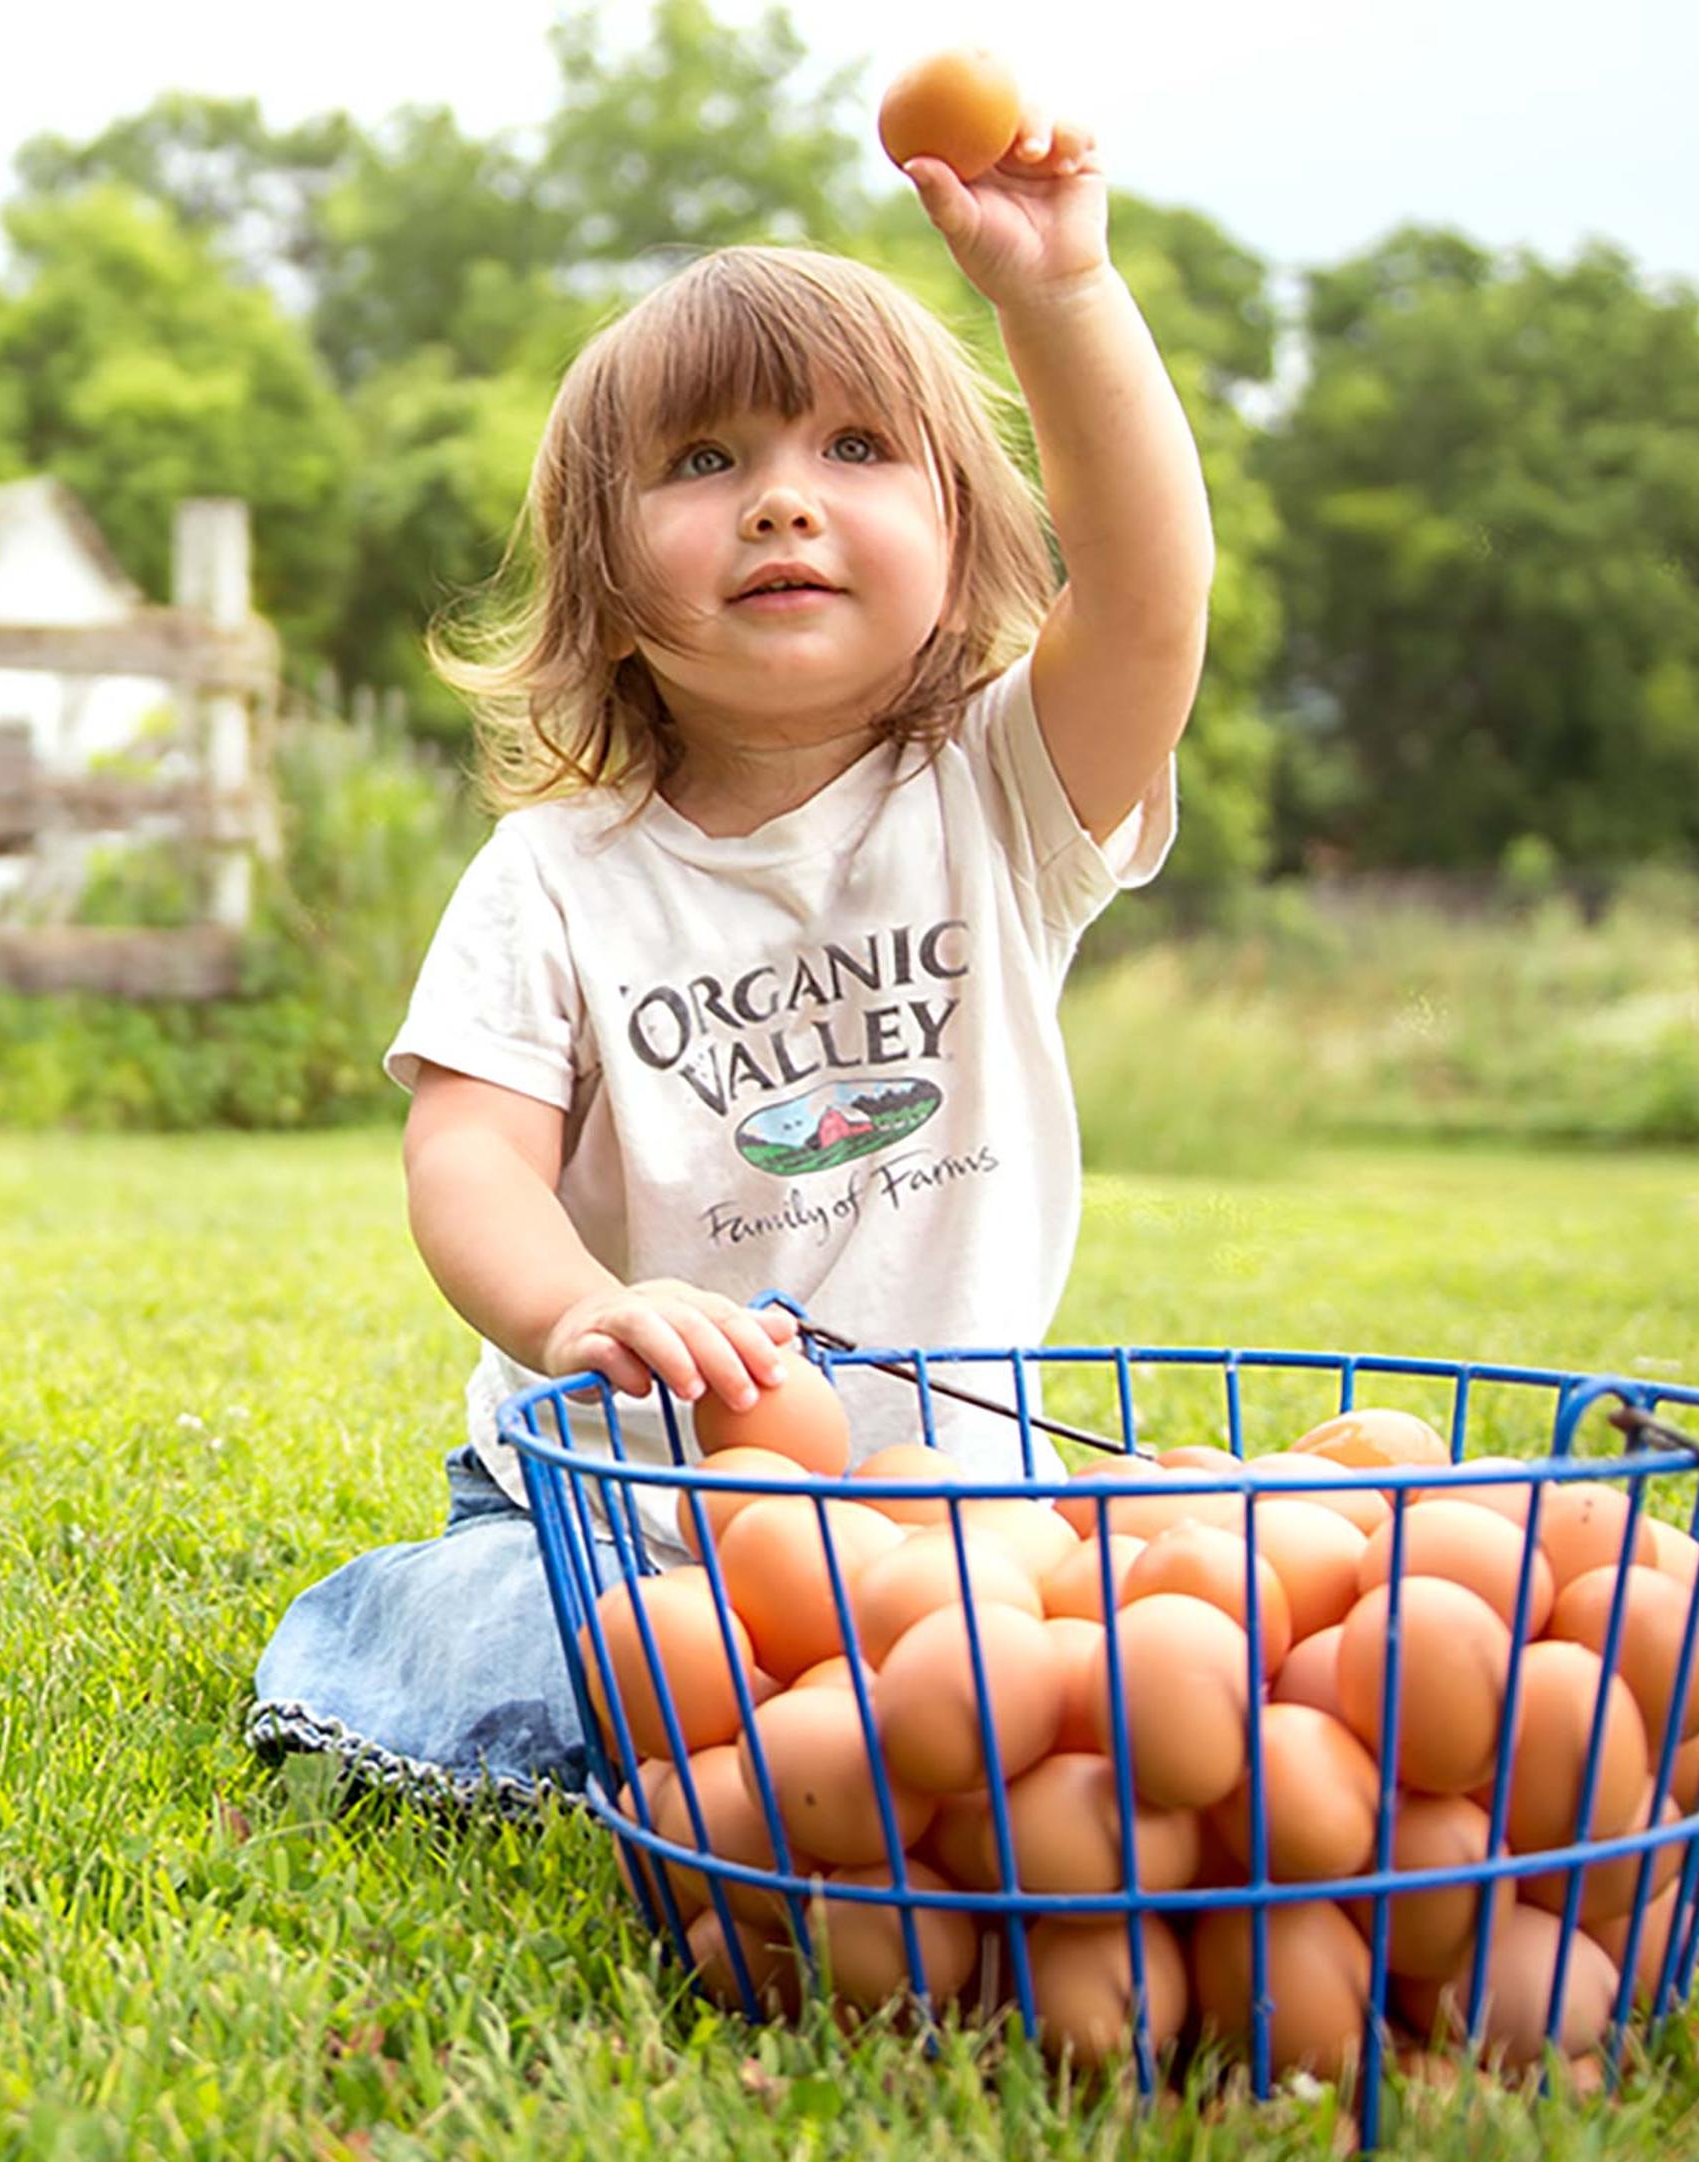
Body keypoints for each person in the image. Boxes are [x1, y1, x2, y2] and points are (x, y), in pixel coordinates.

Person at [244, 109, 1209, 1812]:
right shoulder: (555, 873)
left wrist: (1062, 293)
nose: (780, 498)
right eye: (703, 464)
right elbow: (468, 1153)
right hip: (621, 1514)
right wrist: (584, 1307)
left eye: (854, 448)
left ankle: (829, 1725)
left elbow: (1147, 592)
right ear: (608, 590)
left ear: (966, 540)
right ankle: (409, 1642)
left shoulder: (1004, 793)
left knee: (1146, 1641)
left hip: (949, 1514)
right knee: (563, 1643)